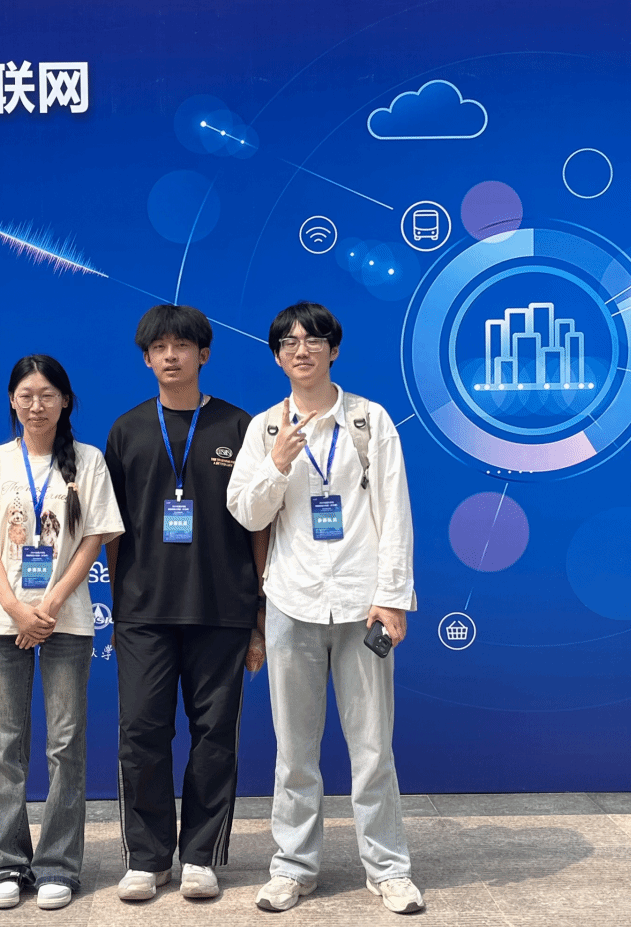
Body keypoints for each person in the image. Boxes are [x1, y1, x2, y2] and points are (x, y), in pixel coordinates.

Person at [226, 301, 424, 914]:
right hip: (292, 601)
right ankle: (293, 867)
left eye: (313, 339)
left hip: (363, 603)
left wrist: (392, 598)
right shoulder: (265, 429)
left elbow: (395, 512)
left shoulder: (368, 420)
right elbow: (246, 513)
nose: (301, 349)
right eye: (288, 342)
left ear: (333, 349)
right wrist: (278, 463)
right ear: (277, 357)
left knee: (373, 749)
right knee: (294, 752)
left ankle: (388, 869)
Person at [104, 305, 268, 902]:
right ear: (147, 358)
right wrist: (122, 604)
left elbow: (259, 524)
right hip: (144, 611)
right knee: (140, 733)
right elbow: (112, 530)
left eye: (182, 345)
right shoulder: (126, 430)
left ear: (204, 354)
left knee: (215, 735)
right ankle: (148, 858)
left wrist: (258, 612)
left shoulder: (239, 426)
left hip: (222, 607)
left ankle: (201, 855)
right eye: (159, 347)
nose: (170, 355)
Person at [0, 355, 124, 911]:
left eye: (48, 395)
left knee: (65, 744)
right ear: (13, 401)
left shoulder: (88, 460)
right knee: (5, 745)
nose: (37, 406)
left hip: (67, 621)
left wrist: (51, 603)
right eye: (26, 396)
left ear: (65, 401)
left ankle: (58, 864)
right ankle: (7, 864)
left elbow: (94, 538)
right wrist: (15, 608)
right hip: (2, 621)